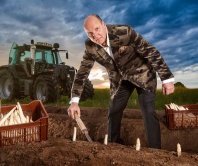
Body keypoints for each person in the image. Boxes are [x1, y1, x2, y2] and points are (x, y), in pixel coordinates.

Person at [67, 14, 174, 149]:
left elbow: (150, 51)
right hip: (120, 81)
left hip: (143, 75)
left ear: (104, 24)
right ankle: (113, 145)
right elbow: (82, 73)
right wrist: (74, 102)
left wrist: (166, 78)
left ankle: (155, 149)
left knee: (148, 110)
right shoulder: (90, 47)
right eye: (90, 33)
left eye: (97, 29)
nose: (95, 35)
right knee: (114, 110)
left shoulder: (124, 32)